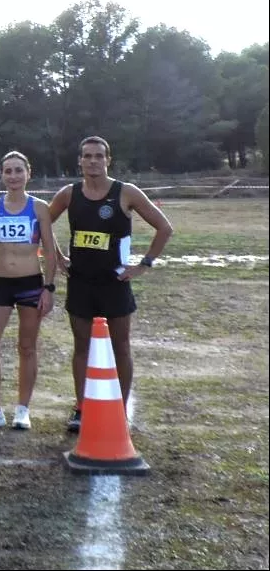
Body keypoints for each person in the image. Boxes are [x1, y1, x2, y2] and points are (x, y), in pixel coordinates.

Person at [47, 135, 173, 433]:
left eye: (99, 155)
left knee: (121, 347)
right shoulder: (69, 193)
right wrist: (59, 256)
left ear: (108, 160)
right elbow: (43, 224)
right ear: (79, 160)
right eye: (87, 155)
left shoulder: (125, 192)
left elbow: (165, 228)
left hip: (115, 283)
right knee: (82, 347)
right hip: (80, 283)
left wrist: (144, 265)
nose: (93, 160)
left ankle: (121, 408)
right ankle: (81, 408)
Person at [0, 151, 60, 430]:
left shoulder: (40, 207)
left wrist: (49, 288)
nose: (13, 176)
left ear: (28, 173)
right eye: (8, 171)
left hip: (31, 283)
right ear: (2, 175)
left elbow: (51, 251)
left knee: (27, 347)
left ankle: (23, 409)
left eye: (18, 170)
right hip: (0, 284)